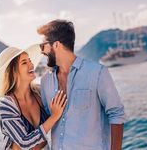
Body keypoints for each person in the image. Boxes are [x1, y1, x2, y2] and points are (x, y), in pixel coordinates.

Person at [38, 19, 126, 150]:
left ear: (56, 44)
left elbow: (116, 114)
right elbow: (46, 122)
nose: (42, 51)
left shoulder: (97, 73)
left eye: (43, 45)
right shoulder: (45, 81)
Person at [0, 45, 67, 150]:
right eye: (24, 63)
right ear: (13, 71)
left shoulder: (39, 92)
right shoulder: (5, 105)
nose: (31, 64)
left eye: (30, 60)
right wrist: (54, 117)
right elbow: (24, 142)